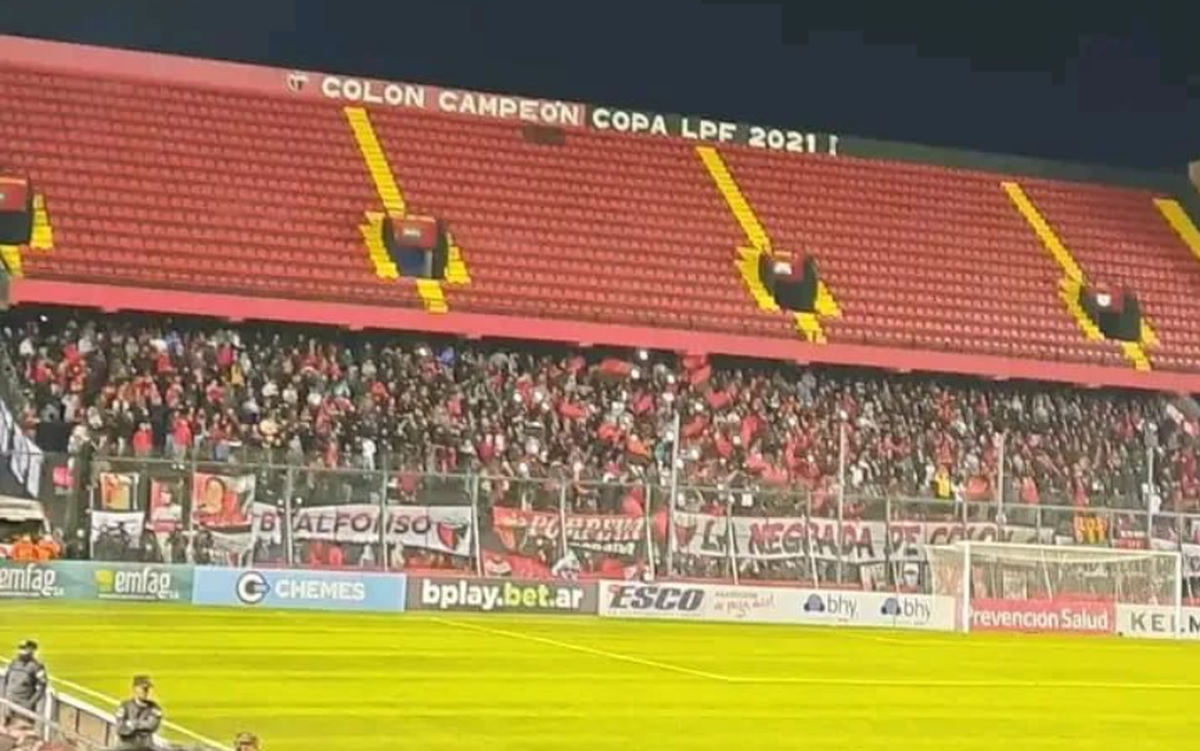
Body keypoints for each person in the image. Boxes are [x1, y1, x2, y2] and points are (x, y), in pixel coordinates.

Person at [1, 640, 47, 728]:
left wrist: (30, 703)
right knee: (6, 731)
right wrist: (4, 698)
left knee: (22, 731)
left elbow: (42, 687)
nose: (21, 653)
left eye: (25, 650)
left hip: (24, 708)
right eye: (21, 649)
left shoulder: (36, 666)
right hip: (9, 705)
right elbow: (4, 681)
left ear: (32, 651)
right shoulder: (13, 663)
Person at [113, 676, 162, 751]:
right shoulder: (125, 706)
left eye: (147, 689)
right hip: (125, 748)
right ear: (135, 689)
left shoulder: (154, 707)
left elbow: (152, 726)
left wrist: (131, 724)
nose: (146, 691)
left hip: (145, 748)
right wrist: (143, 725)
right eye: (143, 688)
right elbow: (120, 728)